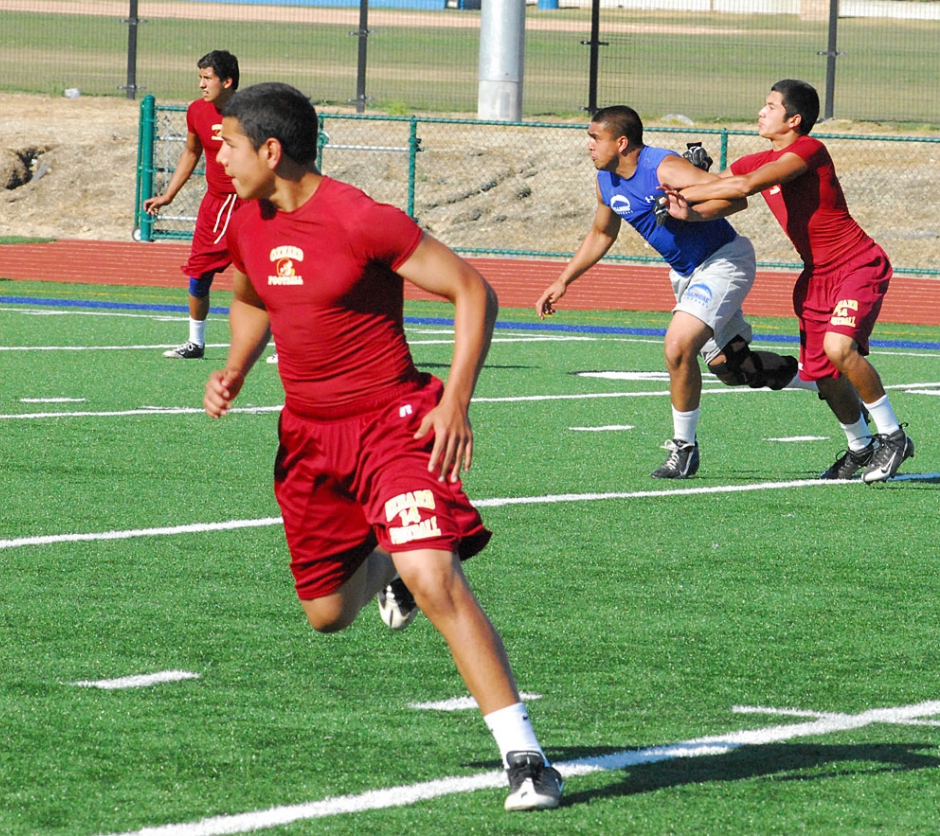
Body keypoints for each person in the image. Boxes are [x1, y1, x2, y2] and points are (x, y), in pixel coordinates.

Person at [203, 81, 563, 812]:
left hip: (391, 425)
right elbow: (246, 295)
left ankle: (526, 759)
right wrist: (236, 368)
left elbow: (473, 291)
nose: (219, 154)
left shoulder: (361, 219)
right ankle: (385, 559)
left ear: (271, 151)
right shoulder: (246, 219)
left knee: (435, 580)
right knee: (327, 615)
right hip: (306, 439)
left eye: (229, 144)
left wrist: (457, 398)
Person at [535, 105, 813, 479]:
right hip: (686, 274)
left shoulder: (663, 167)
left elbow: (736, 199)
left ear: (621, 142)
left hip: (723, 260)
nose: (589, 146)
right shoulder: (606, 181)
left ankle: (683, 449)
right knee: (732, 368)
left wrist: (692, 213)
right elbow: (602, 234)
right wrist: (563, 280)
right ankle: (820, 381)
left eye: (594, 138)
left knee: (677, 346)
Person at [662, 79, 914, 483]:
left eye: (770, 106)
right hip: (816, 276)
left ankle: (894, 436)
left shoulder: (808, 151)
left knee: (839, 349)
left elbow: (743, 186)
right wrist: (686, 207)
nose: (761, 112)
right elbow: (725, 193)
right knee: (824, 376)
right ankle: (860, 447)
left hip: (856, 264)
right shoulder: (757, 160)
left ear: (794, 119)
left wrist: (687, 187)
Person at [144, 50, 243, 360]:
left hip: (252, 205)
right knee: (199, 273)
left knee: (265, 278)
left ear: (227, 81)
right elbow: (191, 152)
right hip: (214, 205)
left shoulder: (253, 113)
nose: (201, 84)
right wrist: (168, 194)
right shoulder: (196, 112)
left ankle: (286, 346)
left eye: (207, 78)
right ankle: (195, 342)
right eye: (199, 78)